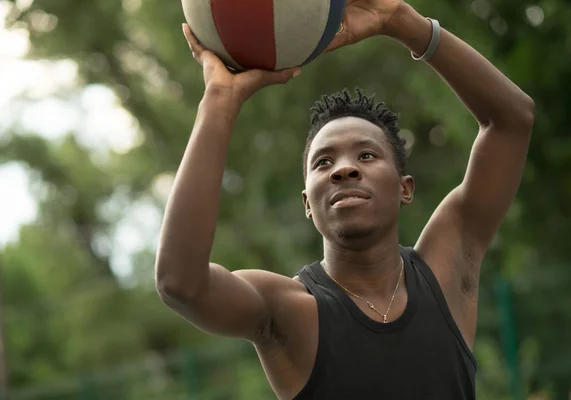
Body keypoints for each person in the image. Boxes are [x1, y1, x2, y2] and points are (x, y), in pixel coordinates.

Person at [155, 0, 535, 398]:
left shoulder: (445, 273)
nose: (343, 169)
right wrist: (220, 98)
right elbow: (181, 284)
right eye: (323, 163)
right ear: (307, 202)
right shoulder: (291, 311)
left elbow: (512, 121)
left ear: (405, 188)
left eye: (366, 155)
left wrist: (403, 23)